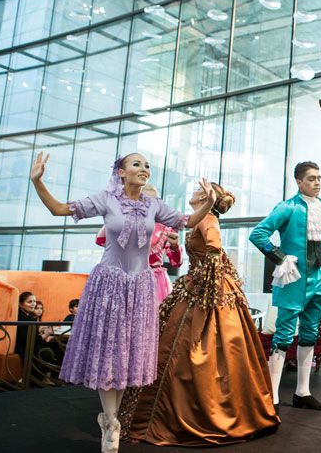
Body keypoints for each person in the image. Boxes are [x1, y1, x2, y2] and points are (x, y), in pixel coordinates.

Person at [29, 151, 216, 453]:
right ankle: (111, 422)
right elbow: (58, 209)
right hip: (109, 284)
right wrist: (37, 182)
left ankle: (109, 419)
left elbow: (188, 220)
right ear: (121, 172)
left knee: (127, 354)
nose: (144, 169)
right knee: (108, 352)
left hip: (141, 288)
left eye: (147, 165)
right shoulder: (106, 199)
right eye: (137, 164)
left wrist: (208, 203)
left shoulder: (154, 205)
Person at [123, 182, 279, 446]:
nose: (193, 192)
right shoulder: (200, 219)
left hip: (207, 289)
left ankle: (199, 411)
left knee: (196, 346)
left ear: (206, 197)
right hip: (199, 284)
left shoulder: (207, 219)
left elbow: (214, 250)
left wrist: (206, 286)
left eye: (198, 190)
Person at [249, 161, 321, 411]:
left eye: (319, 178)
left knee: (311, 333)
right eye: (311, 178)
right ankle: (272, 397)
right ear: (299, 182)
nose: (317, 182)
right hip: (292, 280)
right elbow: (258, 234)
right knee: (283, 335)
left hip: (319, 280)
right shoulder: (287, 207)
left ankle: (303, 392)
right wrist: (280, 258)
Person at [96, 184, 182, 305]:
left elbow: (176, 263)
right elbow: (100, 240)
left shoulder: (166, 228)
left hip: (153, 283)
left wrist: (175, 246)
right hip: (125, 278)